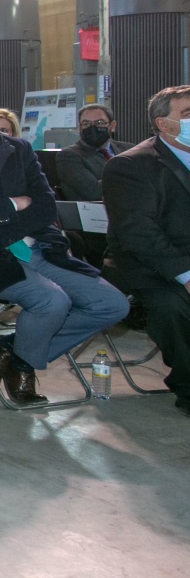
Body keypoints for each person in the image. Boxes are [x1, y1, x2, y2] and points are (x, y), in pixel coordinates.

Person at [0, 84, 129, 404]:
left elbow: (45, 206)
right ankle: (25, 368)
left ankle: (12, 350)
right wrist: (15, 203)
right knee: (52, 302)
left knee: (113, 305)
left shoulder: (18, 149)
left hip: (32, 247)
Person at [102, 85, 190, 416]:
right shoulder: (131, 166)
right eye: (188, 114)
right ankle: (187, 384)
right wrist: (186, 274)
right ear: (163, 124)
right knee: (173, 305)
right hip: (151, 265)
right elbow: (139, 233)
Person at [57, 104, 133, 202]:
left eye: (99, 123)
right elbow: (93, 192)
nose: (92, 128)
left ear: (112, 126)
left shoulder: (129, 149)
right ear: (79, 128)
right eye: (86, 124)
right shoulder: (68, 156)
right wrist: (132, 179)